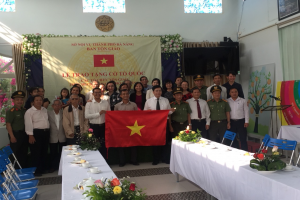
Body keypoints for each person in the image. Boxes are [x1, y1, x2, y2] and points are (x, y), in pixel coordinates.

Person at [144, 85, 175, 165]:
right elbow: (145, 113)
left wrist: (171, 111)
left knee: (165, 141)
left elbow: (169, 113)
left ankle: (165, 158)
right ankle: (156, 159)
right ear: (153, 92)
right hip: (153, 125)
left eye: (159, 91)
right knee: (155, 141)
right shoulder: (148, 101)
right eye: (156, 91)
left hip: (164, 123)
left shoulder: (165, 100)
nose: (158, 92)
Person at [24, 95, 50, 176]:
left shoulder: (44, 109)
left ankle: (42, 169)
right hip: (36, 133)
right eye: (37, 100)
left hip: (45, 133)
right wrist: (30, 135)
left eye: (40, 100)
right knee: (36, 152)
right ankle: (36, 170)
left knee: (44, 151)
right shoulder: (29, 111)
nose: (39, 101)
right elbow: (28, 124)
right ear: (33, 102)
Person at [115, 89, 138, 167]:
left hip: (132, 127)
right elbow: (114, 118)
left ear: (129, 95)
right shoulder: (117, 106)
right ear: (120, 96)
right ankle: (122, 161)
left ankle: (133, 160)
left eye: (127, 94)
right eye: (123, 94)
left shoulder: (134, 105)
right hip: (121, 128)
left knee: (133, 144)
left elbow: (138, 116)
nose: (125, 95)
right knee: (121, 145)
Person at [85, 88, 110, 158]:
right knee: (93, 145)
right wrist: (99, 114)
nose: (97, 94)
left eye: (99, 92)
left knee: (103, 145)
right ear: (92, 94)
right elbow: (86, 116)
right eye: (95, 92)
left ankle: (105, 161)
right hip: (93, 127)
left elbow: (109, 114)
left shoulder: (106, 102)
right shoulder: (89, 103)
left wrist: (106, 113)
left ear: (101, 94)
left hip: (103, 126)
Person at [6, 91, 28, 169]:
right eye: (17, 99)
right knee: (15, 153)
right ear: (13, 101)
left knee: (23, 152)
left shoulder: (24, 110)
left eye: (21, 100)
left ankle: (23, 169)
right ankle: (14, 170)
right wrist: (12, 136)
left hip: (24, 134)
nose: (20, 101)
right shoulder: (11, 111)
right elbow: (8, 124)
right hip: (15, 134)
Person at [48, 99, 66, 173]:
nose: (57, 106)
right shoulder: (48, 113)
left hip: (62, 135)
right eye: (55, 104)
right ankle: (53, 167)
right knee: (53, 153)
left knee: (62, 153)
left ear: (61, 106)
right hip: (53, 135)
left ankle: (63, 167)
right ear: (52, 106)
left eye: (58, 104)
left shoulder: (64, 113)